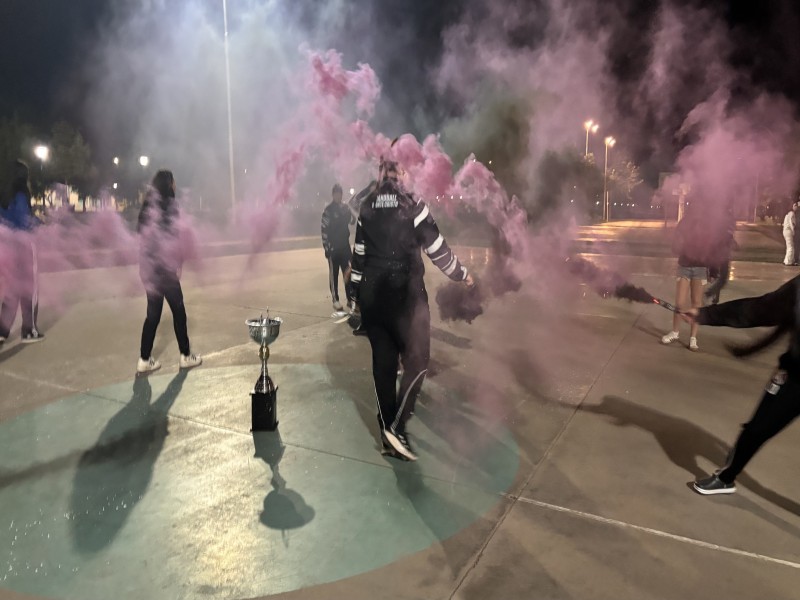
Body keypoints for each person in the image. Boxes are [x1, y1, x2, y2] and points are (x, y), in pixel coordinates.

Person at [349, 159, 474, 461]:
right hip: (405, 297)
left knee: (383, 364)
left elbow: (360, 256)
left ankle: (387, 434)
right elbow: (437, 249)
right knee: (418, 361)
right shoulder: (413, 203)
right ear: (402, 172)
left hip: (372, 297)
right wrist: (462, 274)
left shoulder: (367, 204)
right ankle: (398, 425)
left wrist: (354, 298)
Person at [684, 276, 800, 494]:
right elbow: (760, 309)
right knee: (757, 429)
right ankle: (726, 478)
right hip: (794, 377)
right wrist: (706, 314)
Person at [136, 169, 201, 374]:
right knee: (179, 312)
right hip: (165, 268)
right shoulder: (171, 206)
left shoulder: (148, 207)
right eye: (173, 181)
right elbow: (177, 236)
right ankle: (185, 355)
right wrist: (178, 262)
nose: (175, 185)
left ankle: (144, 359)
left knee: (153, 315)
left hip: (148, 267)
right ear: (169, 184)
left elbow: (141, 235)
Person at [0, 160, 44, 344]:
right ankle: (29, 329)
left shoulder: (3, 195)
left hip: (7, 247)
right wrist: (39, 222)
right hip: (24, 245)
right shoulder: (21, 194)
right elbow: (23, 221)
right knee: (29, 288)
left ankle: (2, 330)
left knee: (12, 288)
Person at [661, 208, 709, 351]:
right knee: (679, 303)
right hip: (684, 266)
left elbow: (712, 247)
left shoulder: (707, 224)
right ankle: (675, 332)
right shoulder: (684, 223)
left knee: (696, 304)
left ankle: (693, 338)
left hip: (700, 268)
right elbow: (676, 243)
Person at [321, 183, 354, 314]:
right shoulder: (328, 211)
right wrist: (326, 247)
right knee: (333, 275)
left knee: (348, 273)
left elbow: (353, 221)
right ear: (333, 195)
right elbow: (324, 230)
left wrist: (349, 212)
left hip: (345, 246)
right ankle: (335, 299)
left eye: (340, 194)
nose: (338, 196)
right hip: (333, 248)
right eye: (336, 194)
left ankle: (350, 298)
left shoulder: (345, 208)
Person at [704, 206, 737, 305]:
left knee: (716, 275)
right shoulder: (726, 221)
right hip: (721, 253)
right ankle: (709, 294)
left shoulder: (715, 219)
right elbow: (728, 235)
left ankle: (713, 296)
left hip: (715, 251)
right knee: (721, 277)